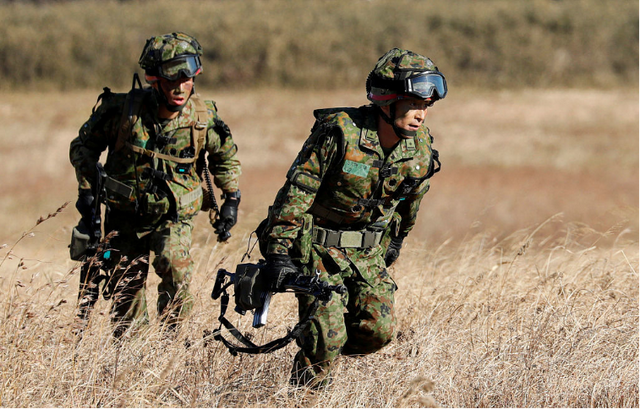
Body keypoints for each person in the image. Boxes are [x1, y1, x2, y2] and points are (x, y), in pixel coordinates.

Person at [258, 48, 447, 387]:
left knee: (378, 330)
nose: (421, 115)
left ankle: (318, 346)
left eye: (426, 107)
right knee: (326, 338)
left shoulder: (419, 150)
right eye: (414, 104)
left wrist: (395, 243)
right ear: (387, 100)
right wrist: (277, 253)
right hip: (315, 246)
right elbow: (296, 192)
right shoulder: (340, 134)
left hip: (365, 252)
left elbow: (410, 204)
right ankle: (307, 391)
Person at [69, 32, 242, 337]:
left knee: (174, 265)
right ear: (153, 79)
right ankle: (133, 363)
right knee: (126, 289)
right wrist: (87, 193)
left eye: (187, 76)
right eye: (171, 77)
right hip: (124, 218)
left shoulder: (201, 118)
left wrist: (230, 197)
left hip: (174, 217)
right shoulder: (123, 112)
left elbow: (224, 155)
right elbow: (82, 147)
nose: (180, 86)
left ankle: (170, 344)